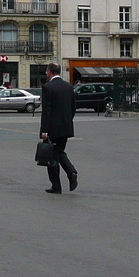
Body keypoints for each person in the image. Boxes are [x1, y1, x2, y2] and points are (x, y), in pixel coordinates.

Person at [39, 62, 78, 194]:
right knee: (59, 152)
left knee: (52, 157)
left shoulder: (48, 87)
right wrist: (67, 121)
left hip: (52, 129)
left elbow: (47, 111)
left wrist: (44, 131)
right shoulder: (69, 87)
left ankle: (57, 185)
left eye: (46, 71)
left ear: (50, 71)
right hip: (66, 127)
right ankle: (71, 172)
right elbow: (73, 108)